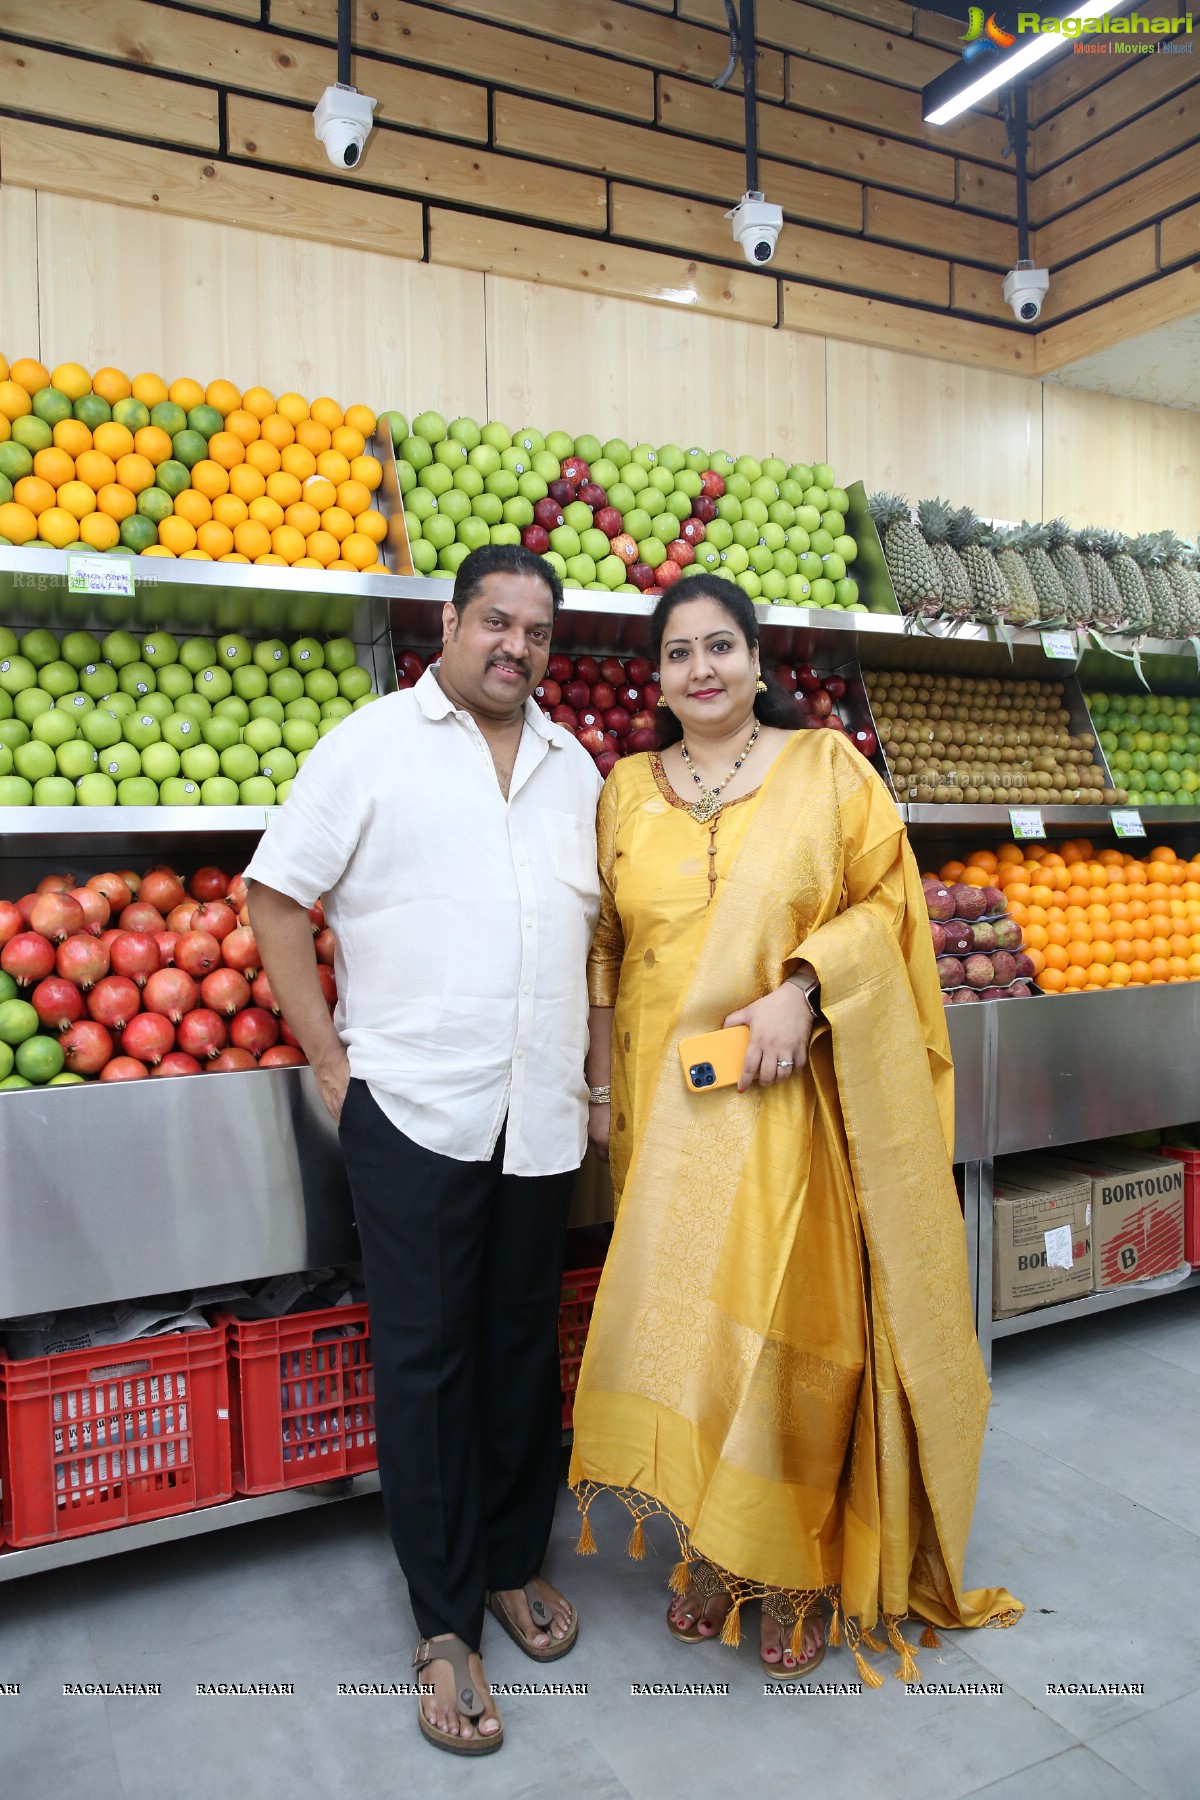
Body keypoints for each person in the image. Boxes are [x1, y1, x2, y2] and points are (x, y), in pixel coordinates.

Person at [570, 573, 1021, 1684]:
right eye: (679, 654)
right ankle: (716, 1551)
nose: (703, 669)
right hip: (671, 1119)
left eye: (721, 646)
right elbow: (606, 950)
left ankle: (801, 1564)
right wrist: (597, 1086)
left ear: (758, 661)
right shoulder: (624, 790)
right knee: (693, 1337)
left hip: (792, 1114)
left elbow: (888, 907)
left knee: (790, 1334)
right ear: (660, 678)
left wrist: (806, 989)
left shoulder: (826, 770)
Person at [245, 544, 602, 1756]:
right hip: (412, 1111)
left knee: (518, 1350)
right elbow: (275, 900)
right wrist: (334, 1067)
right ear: (449, 622)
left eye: (537, 631)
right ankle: (443, 1621)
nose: (516, 646)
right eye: (495, 621)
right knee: (426, 1364)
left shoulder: (574, 769)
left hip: (539, 1114)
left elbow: (594, 943)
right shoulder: (369, 746)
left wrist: (595, 1079)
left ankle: (510, 1563)